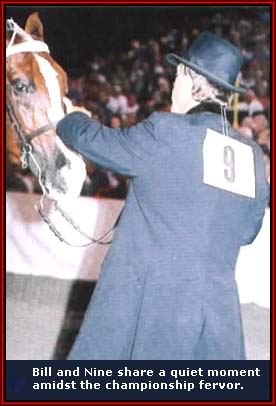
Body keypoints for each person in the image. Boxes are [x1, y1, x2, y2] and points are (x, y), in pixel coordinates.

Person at [57, 32, 269, 360]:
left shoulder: (168, 131)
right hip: (215, 317)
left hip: (153, 310)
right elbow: (248, 233)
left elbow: (99, 143)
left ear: (191, 79)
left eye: (177, 76)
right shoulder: (253, 156)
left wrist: (69, 118)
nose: (173, 86)